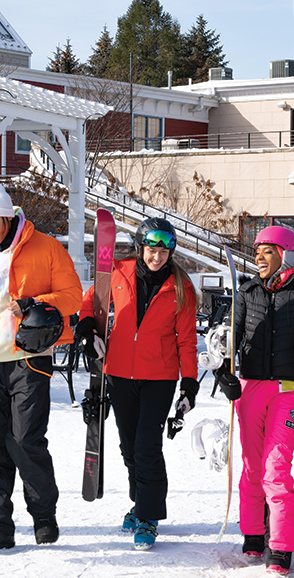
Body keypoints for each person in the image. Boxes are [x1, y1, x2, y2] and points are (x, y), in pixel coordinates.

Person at [0, 180, 82, 552]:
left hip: (29, 360)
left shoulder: (46, 247)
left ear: (9, 217)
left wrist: (33, 302)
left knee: (26, 441)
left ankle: (44, 516)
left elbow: (73, 297)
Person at [74, 217, 199, 551]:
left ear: (171, 252)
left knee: (147, 447)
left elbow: (187, 341)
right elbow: (90, 303)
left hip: (159, 376)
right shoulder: (118, 272)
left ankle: (148, 515)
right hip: (119, 373)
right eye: (151, 249)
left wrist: (189, 383)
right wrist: (86, 328)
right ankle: (139, 501)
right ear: (140, 247)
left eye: (164, 251)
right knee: (129, 446)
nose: (157, 257)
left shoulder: (182, 289)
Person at [216, 225, 294, 575]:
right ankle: (253, 532)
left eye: (268, 251)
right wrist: (224, 374)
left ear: (287, 254)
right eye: (257, 251)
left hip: (287, 390)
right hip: (249, 388)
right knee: (251, 467)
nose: (260, 257)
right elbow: (230, 341)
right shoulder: (247, 292)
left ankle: (281, 546)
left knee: (276, 469)